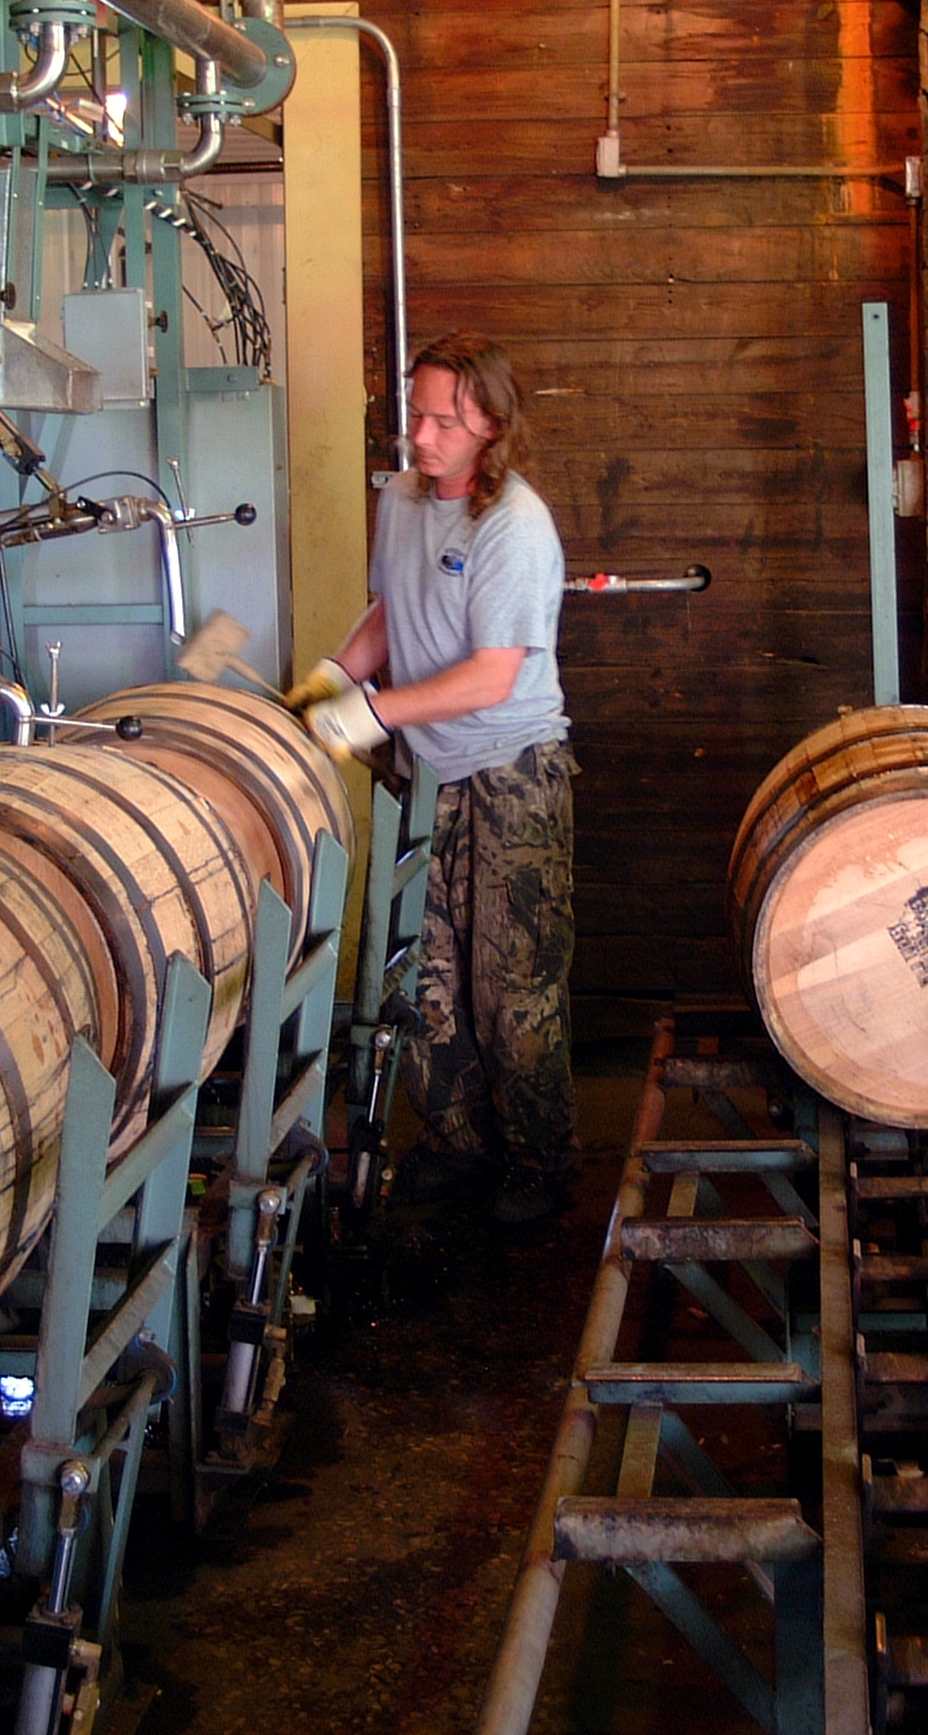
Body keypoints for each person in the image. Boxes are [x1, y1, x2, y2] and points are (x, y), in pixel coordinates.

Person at [289, 332, 577, 1226]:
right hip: (429, 771)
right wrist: (334, 678)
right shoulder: (404, 501)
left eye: (445, 421)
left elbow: (494, 674)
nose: (422, 434)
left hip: (510, 772)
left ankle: (539, 1165)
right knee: (425, 973)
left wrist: (374, 715)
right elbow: (390, 609)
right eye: (416, 414)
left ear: (491, 425)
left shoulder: (513, 526)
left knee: (512, 982)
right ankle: (456, 1142)